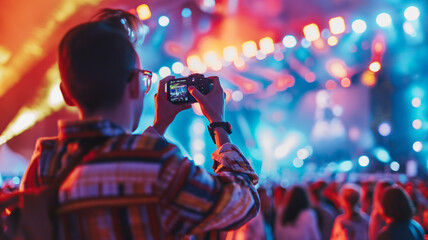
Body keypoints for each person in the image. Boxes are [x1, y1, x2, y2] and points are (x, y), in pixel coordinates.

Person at [20, 9, 260, 239]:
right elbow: (242, 202)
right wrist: (218, 123)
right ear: (136, 85)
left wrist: (159, 126)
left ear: (66, 93)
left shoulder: (42, 164)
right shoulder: (158, 163)